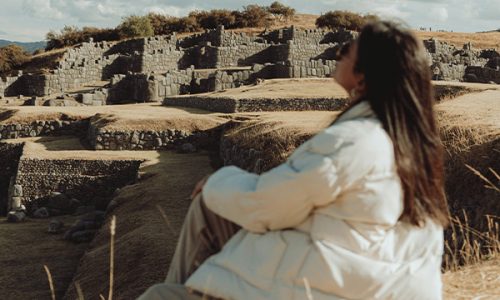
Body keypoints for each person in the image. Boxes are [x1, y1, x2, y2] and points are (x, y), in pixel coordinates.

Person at [139, 20, 449, 300]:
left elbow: (269, 204)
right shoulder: (416, 145)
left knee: (159, 293)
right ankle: (193, 291)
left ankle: (182, 292)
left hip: (337, 284)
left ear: (364, 76)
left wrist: (218, 182)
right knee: (210, 207)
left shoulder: (357, 140)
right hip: (370, 274)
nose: (336, 55)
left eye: (346, 51)